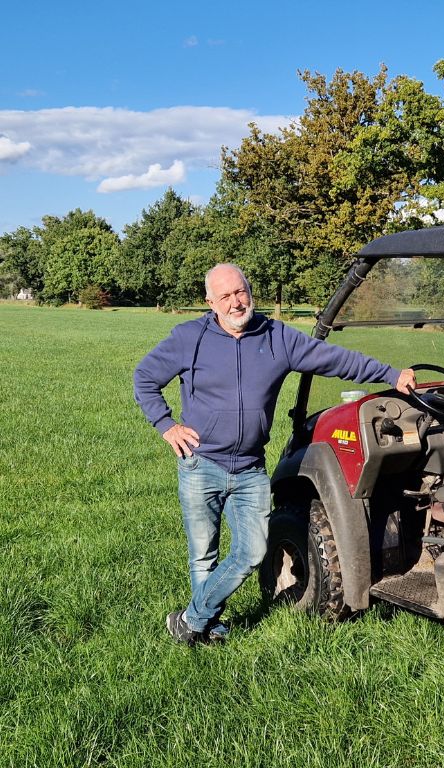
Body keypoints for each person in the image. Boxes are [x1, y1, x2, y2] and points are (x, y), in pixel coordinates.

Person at [134, 263, 415, 645]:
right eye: (226, 296)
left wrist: (389, 373)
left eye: (241, 291)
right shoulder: (189, 338)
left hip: (250, 467)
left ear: (249, 290)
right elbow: (145, 379)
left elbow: (335, 360)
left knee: (252, 552)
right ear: (210, 302)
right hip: (201, 463)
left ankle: (189, 619)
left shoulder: (276, 337)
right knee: (203, 556)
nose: (237, 301)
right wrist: (166, 425)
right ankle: (204, 628)